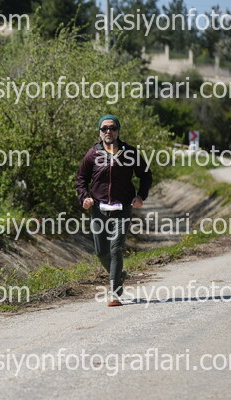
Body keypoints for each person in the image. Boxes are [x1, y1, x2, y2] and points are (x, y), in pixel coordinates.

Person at [76, 115, 152, 307]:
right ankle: (118, 275)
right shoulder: (92, 154)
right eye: (104, 128)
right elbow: (81, 179)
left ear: (118, 131)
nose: (108, 131)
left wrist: (140, 196)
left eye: (112, 128)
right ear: (99, 132)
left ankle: (114, 293)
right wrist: (84, 197)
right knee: (101, 252)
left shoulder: (130, 153)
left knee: (116, 248)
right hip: (99, 209)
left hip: (122, 207)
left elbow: (145, 175)